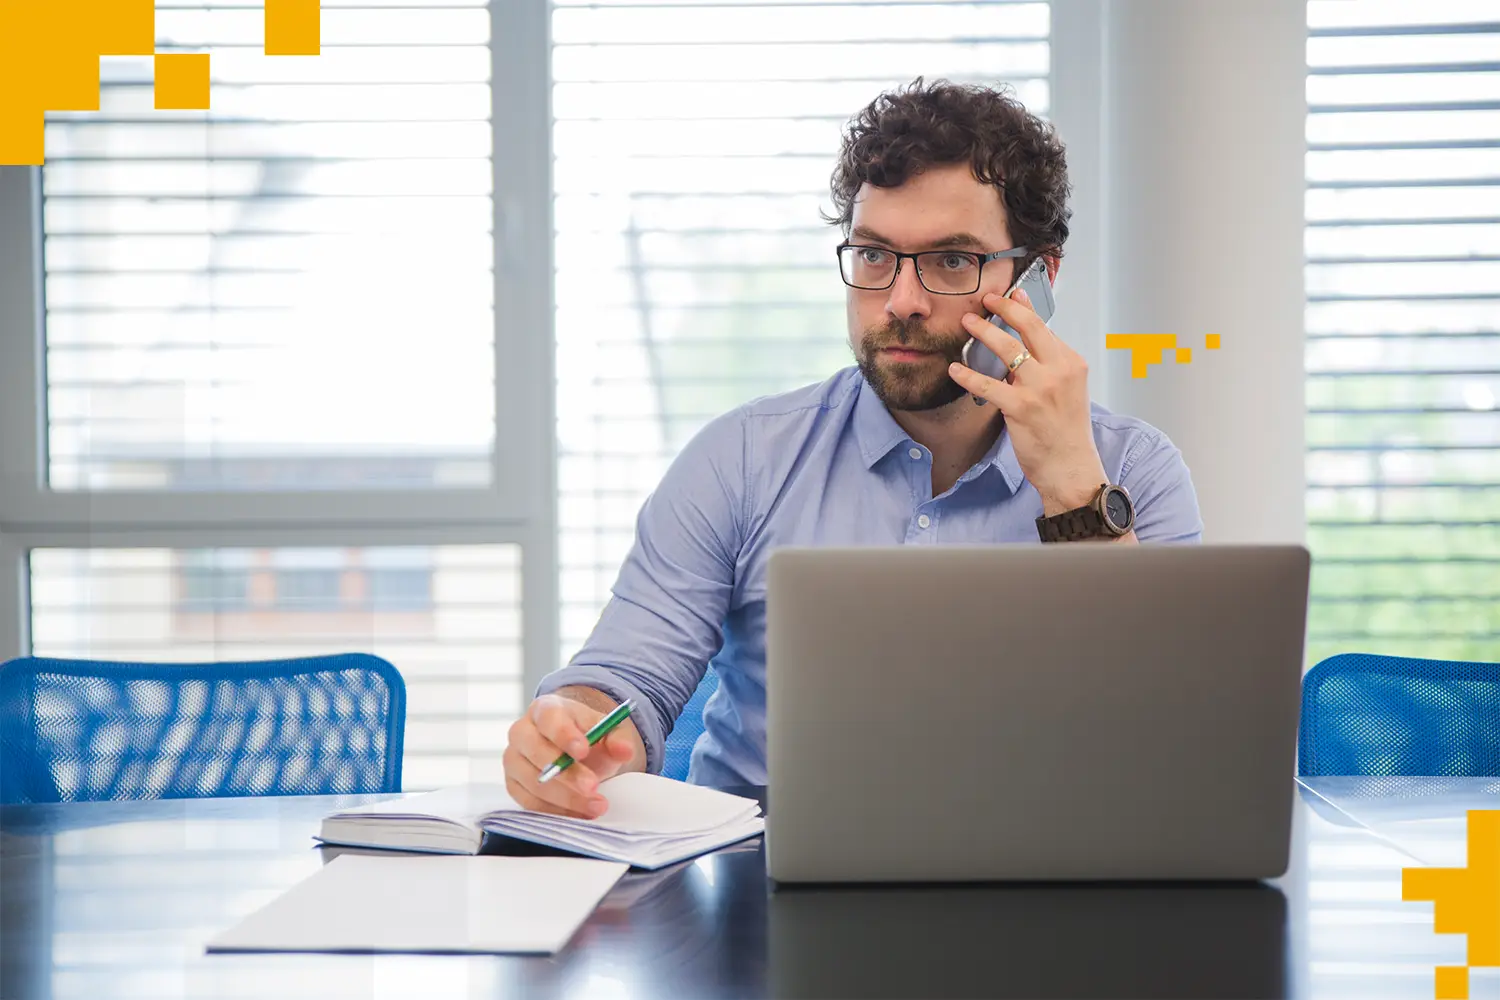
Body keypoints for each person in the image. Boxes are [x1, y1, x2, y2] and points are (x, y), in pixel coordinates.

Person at [504, 78, 1204, 817]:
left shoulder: (1132, 472)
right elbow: (626, 676)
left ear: (1039, 276)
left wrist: (1074, 496)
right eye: (874, 256)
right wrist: (577, 724)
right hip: (760, 889)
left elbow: (1172, 745)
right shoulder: (741, 458)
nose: (900, 300)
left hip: (1045, 889)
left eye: (951, 261)